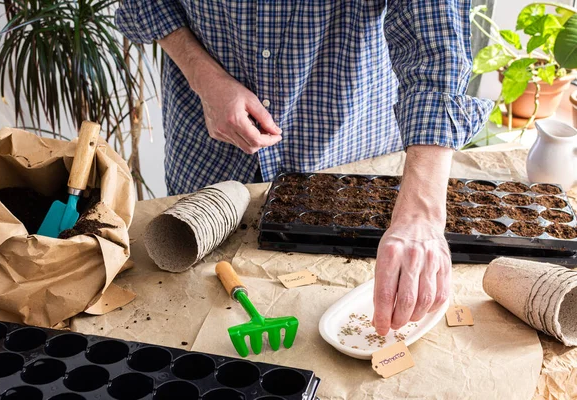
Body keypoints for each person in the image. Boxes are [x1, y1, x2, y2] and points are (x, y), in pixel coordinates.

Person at [116, 1, 492, 335]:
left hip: (346, 153)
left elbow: (435, 49)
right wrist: (204, 77)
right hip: (210, 138)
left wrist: (421, 217)